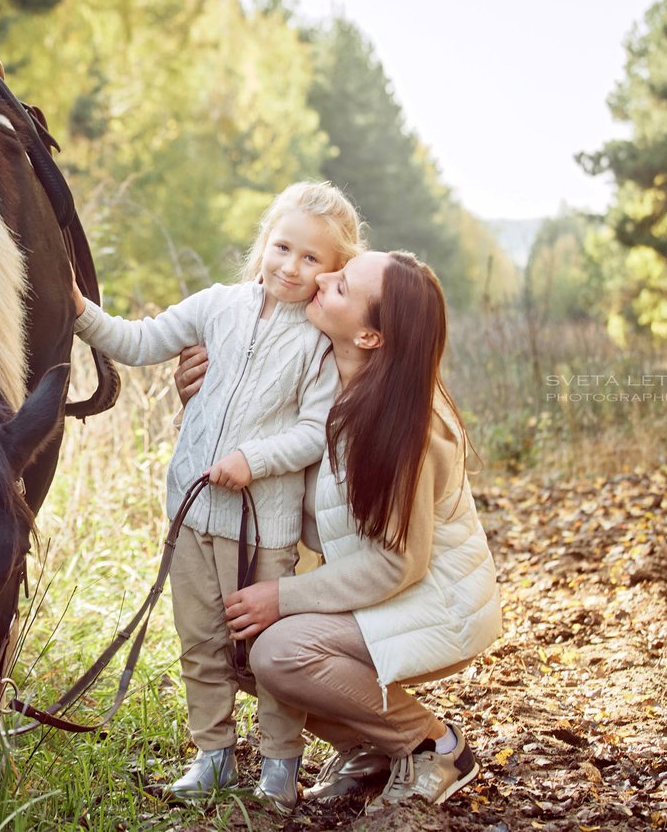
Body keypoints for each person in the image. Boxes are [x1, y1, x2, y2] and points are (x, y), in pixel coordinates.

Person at [70, 182, 364, 810]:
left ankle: (281, 766)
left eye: (312, 259)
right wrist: (78, 310)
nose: (290, 266)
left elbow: (315, 431)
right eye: (282, 246)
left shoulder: (318, 344)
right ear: (265, 242)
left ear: (336, 271)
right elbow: (141, 341)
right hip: (192, 511)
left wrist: (252, 461)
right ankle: (213, 756)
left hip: (266, 527)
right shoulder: (217, 306)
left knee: (262, 652)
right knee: (199, 639)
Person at [213, 250, 502, 813]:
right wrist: (195, 377)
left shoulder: (402, 425)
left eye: (340, 286)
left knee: (278, 652)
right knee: (239, 646)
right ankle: (366, 747)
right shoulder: (332, 375)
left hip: (434, 601)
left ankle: (431, 745)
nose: (321, 279)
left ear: (370, 337)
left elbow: (398, 563)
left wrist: (284, 597)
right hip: (388, 591)